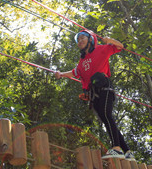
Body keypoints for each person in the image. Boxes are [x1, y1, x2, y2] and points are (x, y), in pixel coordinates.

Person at [54, 30, 134, 160]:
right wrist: (61, 74)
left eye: (82, 38)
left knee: (107, 115)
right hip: (94, 93)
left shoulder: (101, 50)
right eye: (78, 39)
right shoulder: (82, 61)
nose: (80, 41)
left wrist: (111, 40)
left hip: (105, 87)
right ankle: (127, 151)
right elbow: (75, 72)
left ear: (90, 39)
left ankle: (117, 148)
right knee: (105, 118)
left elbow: (120, 47)